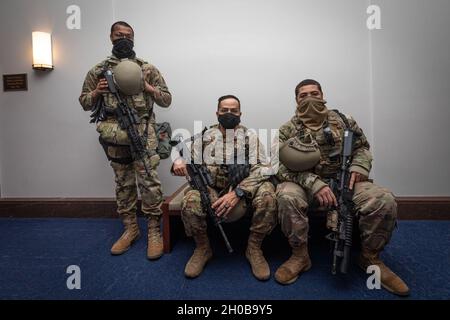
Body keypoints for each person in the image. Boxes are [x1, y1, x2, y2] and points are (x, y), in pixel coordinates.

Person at [274, 79, 409, 296]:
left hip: (346, 182)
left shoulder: (345, 121)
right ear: (296, 99)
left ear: (322, 94)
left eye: (314, 93)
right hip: (307, 185)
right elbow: (278, 166)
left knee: (383, 198)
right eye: (303, 95)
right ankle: (300, 255)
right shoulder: (287, 130)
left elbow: (363, 148)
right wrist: (313, 183)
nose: (309, 98)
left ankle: (370, 257)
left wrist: (358, 166)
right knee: (286, 196)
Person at [79, 21, 172, 260]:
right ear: (110, 37)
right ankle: (131, 229)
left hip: (143, 134)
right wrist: (98, 91)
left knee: (150, 182)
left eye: (128, 35)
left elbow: (166, 100)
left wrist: (149, 88)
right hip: (115, 136)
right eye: (119, 35)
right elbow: (84, 102)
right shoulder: (98, 71)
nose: (123, 39)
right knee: (124, 183)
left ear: (134, 39)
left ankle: (153, 231)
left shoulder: (147, 68)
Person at [172, 95, 277, 280]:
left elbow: (262, 169)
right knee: (190, 200)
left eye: (233, 111)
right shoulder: (204, 137)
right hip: (210, 188)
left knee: (268, 194)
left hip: (242, 189)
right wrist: (178, 162)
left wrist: (239, 192)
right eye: (224, 110)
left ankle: (254, 248)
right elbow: (188, 163)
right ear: (217, 113)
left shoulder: (250, 138)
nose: (229, 114)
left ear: (240, 114)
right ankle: (203, 248)